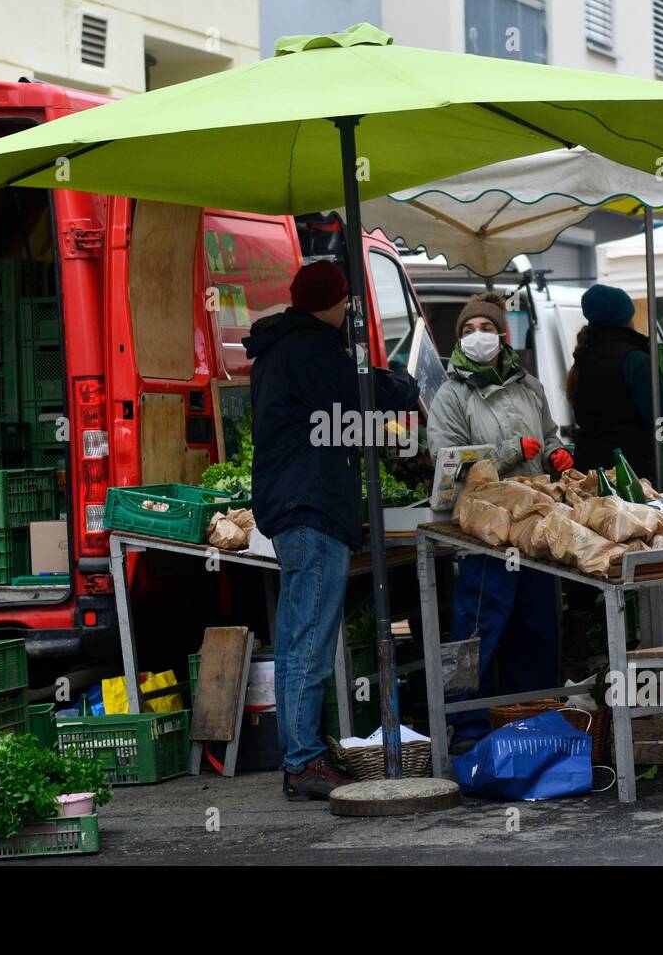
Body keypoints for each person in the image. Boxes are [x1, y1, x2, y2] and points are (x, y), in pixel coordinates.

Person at [243, 260, 419, 801]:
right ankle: (303, 761)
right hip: (310, 508)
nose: (347, 312)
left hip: (297, 507)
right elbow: (368, 398)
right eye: (345, 303)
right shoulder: (312, 350)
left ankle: (305, 748)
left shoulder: (280, 348)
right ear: (336, 303)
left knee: (302, 637)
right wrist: (402, 381)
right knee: (308, 643)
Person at [426, 292, 573, 751]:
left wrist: (553, 452)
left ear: (501, 334)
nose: (477, 337)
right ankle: (467, 731)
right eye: (468, 331)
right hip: (484, 535)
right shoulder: (451, 396)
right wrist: (512, 453)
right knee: (478, 632)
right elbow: (449, 462)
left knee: (537, 628)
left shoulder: (529, 385)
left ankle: (534, 722)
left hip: (534, 527)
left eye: (485, 328)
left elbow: (548, 433)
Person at [567, 284, 663, 479]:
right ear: (627, 317)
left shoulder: (585, 356)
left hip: (590, 472)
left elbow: (618, 407)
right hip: (629, 475)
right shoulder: (634, 359)